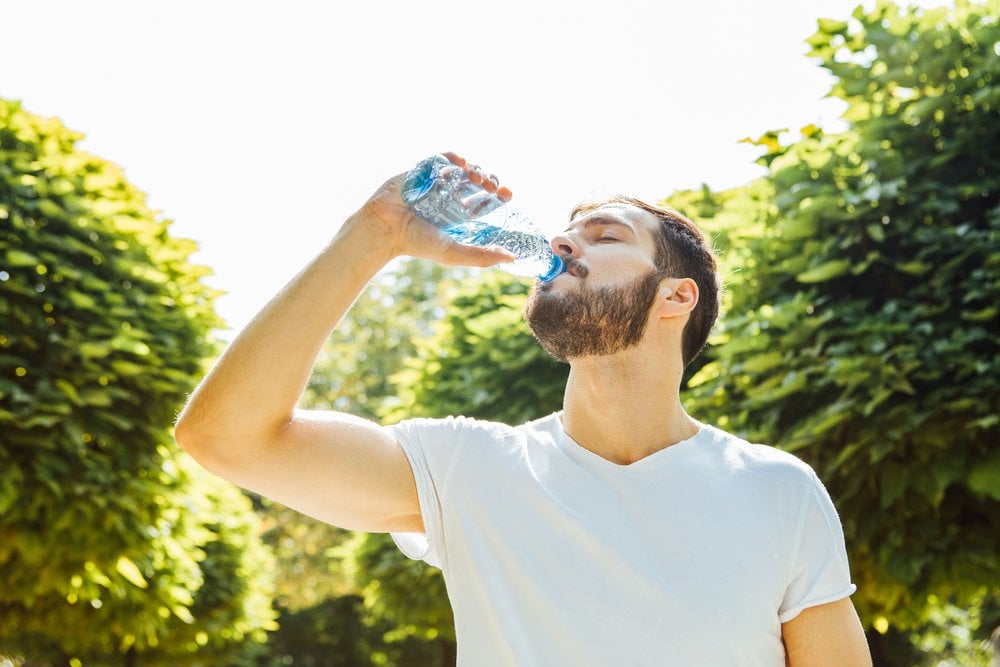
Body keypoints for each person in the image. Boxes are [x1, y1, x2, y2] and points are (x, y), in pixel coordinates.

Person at [175, 152, 872, 666]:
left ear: (675, 297)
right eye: (567, 233)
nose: (565, 242)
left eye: (604, 237)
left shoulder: (776, 490)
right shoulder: (467, 468)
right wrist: (376, 232)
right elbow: (224, 436)